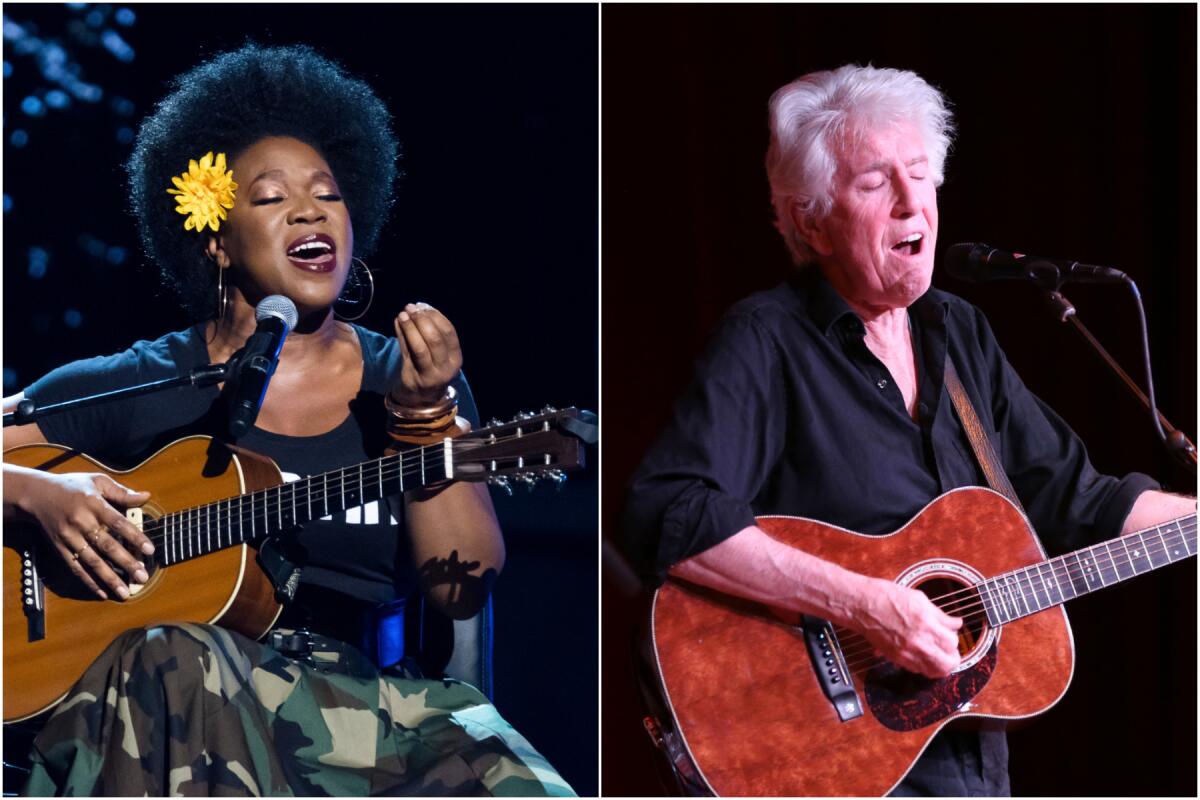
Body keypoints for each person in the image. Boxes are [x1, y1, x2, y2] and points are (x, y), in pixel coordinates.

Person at [3, 43, 573, 796]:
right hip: (168, 696)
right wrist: (41, 494)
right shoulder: (152, 378)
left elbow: (459, 591)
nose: (309, 210)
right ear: (216, 241)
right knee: (181, 658)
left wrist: (426, 417)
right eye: (271, 199)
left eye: (327, 195)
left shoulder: (403, 378)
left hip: (359, 710)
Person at [620, 64, 1194, 796]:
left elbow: (1080, 499)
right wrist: (866, 606)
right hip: (823, 750)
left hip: (963, 757)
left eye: (920, 174)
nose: (909, 202)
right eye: (872, 184)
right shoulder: (766, 340)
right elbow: (666, 511)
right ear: (808, 221)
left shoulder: (960, 333)